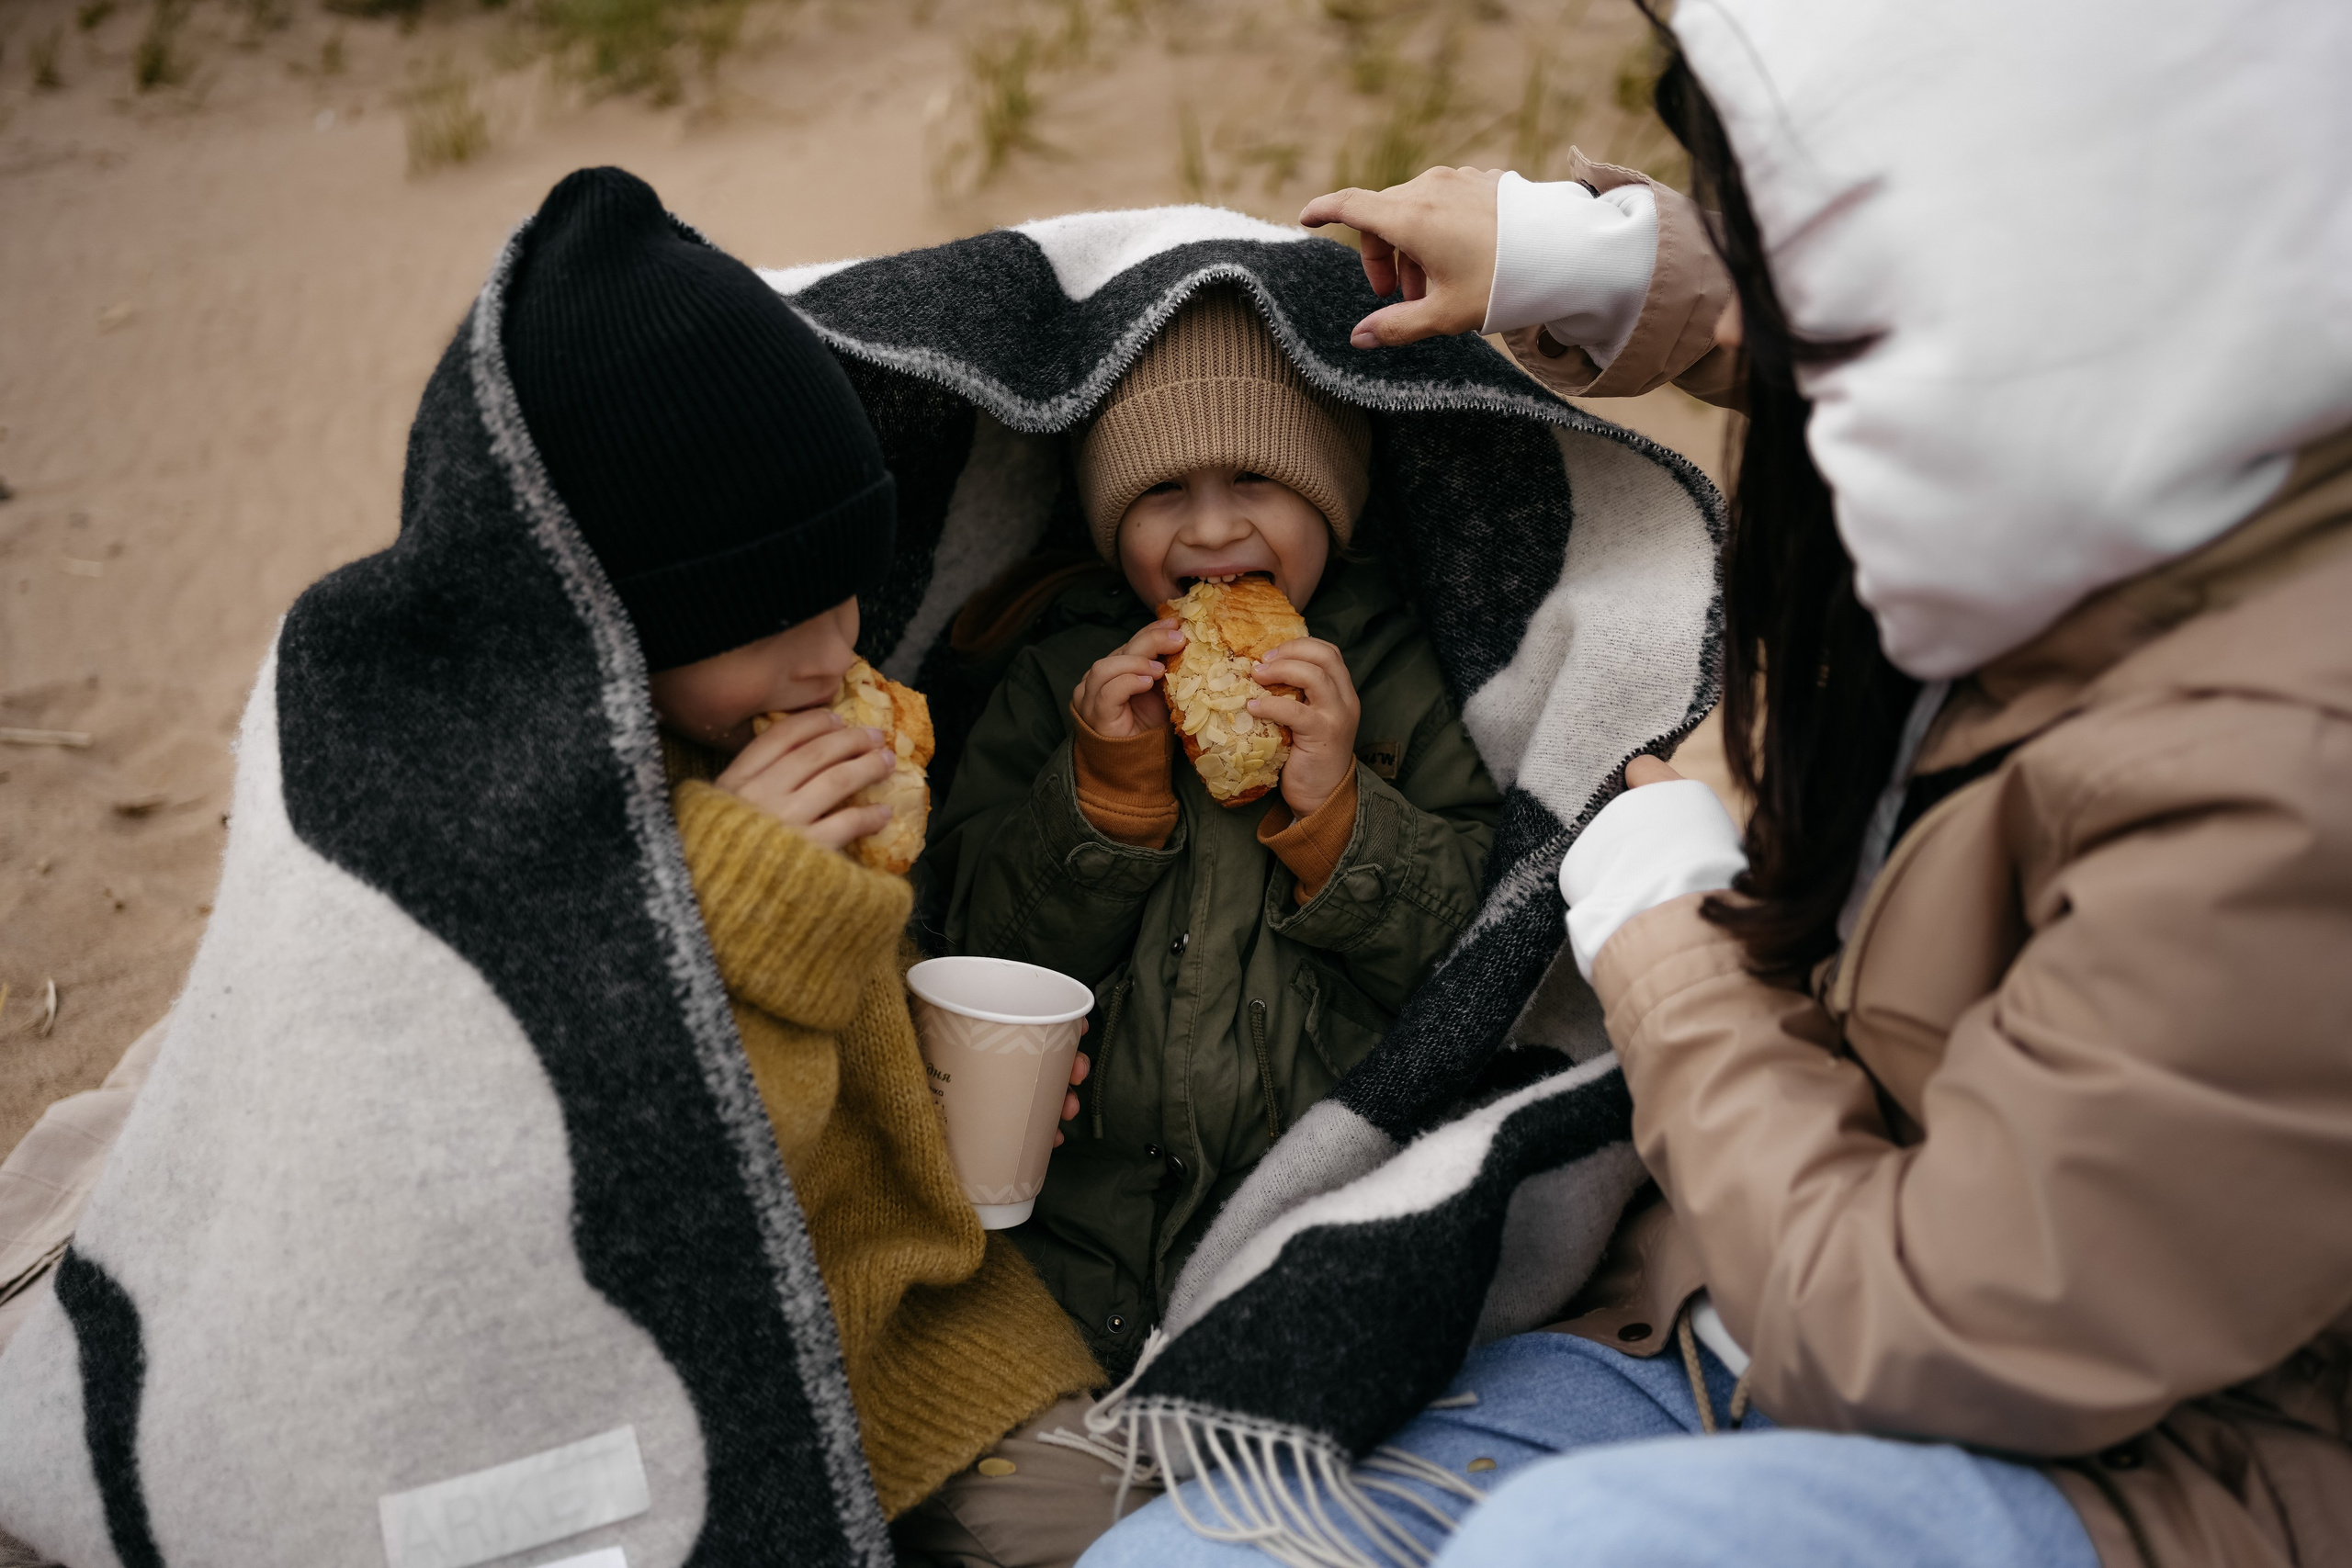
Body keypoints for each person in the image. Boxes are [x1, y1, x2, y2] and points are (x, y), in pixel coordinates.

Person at [1080, 0, 2352, 1563]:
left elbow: (1945, 1331)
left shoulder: (2290, 776)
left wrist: (1656, 915)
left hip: (2111, 1457)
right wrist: (1634, 275)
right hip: (1693, 1307)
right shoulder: (2123, 378)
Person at [502, 170, 1133, 1567]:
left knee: (1119, 1522)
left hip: (919, 1326)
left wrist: (932, 1064)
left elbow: (856, 1060)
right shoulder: (547, 820)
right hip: (697, 1387)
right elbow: (618, 1196)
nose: (829, 652)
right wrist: (744, 903)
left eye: (844, 587)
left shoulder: (805, 738)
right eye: (762, 620)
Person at [923, 287, 1502, 1374]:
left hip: (1306, 1225)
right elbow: (981, 955)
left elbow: (1473, 966)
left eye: (1256, 481)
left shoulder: (1405, 678)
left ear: (1332, 499)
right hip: (1069, 1239)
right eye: (1160, 495)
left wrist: (1337, 809)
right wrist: (1103, 794)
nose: (1210, 527)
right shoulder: (1059, 677)